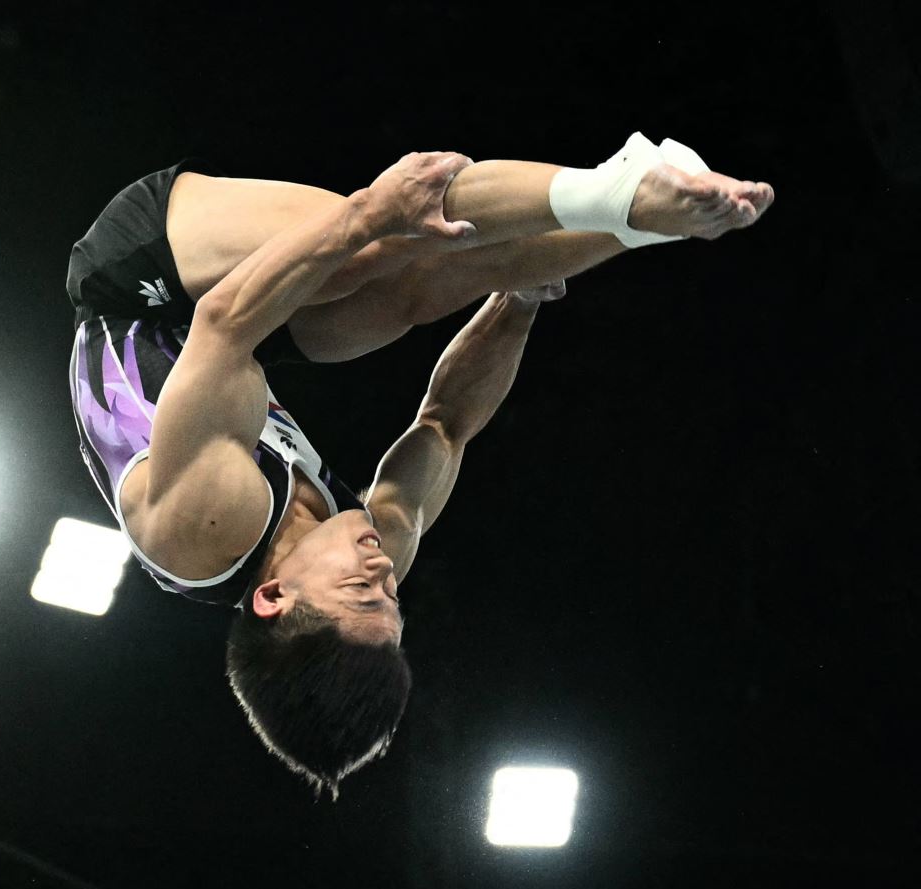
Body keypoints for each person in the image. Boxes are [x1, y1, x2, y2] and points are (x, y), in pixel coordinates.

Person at [65, 137, 774, 797]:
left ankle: (623, 190)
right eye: (393, 605)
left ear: (273, 599)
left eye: (361, 596)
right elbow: (447, 424)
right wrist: (523, 296)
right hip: (234, 338)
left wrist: (368, 213)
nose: (381, 576)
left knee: (382, 248)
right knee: (422, 285)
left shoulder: (203, 530)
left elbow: (224, 322)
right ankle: (648, 220)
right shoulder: (372, 549)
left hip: (137, 284)